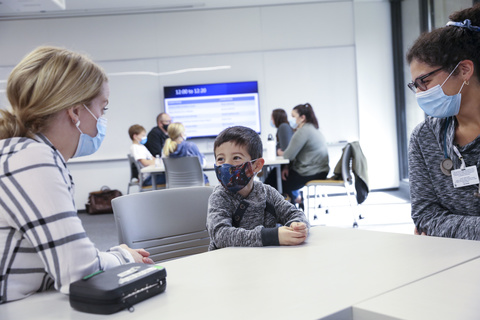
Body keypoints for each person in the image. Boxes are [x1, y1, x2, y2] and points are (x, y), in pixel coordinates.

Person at [0, 46, 154, 304]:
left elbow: (51, 263)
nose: (101, 121)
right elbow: (78, 271)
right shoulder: (33, 159)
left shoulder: (20, 152)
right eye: (102, 109)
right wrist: (125, 256)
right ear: (75, 112)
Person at [407, 4, 480, 240]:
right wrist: (431, 224)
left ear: (464, 70)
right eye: (415, 86)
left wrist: (444, 228)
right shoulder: (424, 137)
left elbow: (434, 225)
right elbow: (425, 216)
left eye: (424, 81)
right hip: (451, 264)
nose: (420, 93)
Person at [206, 126, 309, 250]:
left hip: (262, 261)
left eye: (236, 158)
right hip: (227, 264)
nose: (227, 165)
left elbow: (294, 214)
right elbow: (220, 236)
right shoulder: (219, 197)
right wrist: (272, 236)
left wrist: (297, 226)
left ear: (256, 165)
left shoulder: (267, 192)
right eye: (220, 159)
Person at [274, 103, 330, 204]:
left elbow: (288, 155)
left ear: (302, 118)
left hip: (310, 173)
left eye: (293, 116)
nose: (291, 120)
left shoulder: (303, 131)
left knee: (274, 180)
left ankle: (287, 213)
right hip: (320, 171)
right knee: (278, 177)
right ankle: (291, 209)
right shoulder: (313, 129)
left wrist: (278, 152)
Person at [264, 108, 299, 201]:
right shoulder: (284, 126)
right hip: (288, 165)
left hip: (288, 165)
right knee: (270, 181)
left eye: (272, 118)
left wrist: (286, 166)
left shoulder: (283, 127)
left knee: (269, 182)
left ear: (276, 117)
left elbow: (285, 150)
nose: (271, 120)